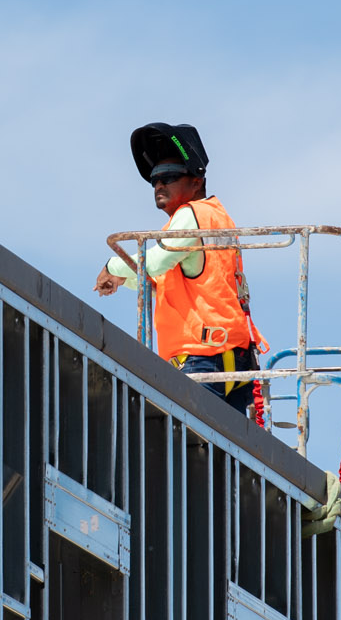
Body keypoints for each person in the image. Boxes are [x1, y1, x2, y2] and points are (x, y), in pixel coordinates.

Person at [93, 122, 266, 422]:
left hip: (202, 359)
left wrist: (113, 266)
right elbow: (167, 274)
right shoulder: (216, 216)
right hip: (236, 361)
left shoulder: (190, 215)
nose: (159, 184)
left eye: (170, 176)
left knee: (190, 452)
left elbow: (157, 261)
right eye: (154, 180)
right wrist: (123, 277)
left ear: (196, 181)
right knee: (226, 461)